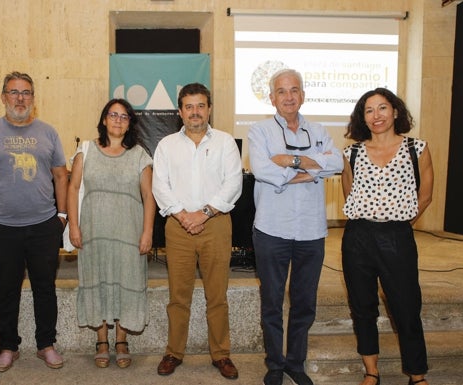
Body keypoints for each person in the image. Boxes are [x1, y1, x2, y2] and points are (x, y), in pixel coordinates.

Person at [248, 68, 344, 385]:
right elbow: (262, 169)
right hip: (271, 229)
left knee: (305, 303)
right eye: (282, 91)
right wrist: (313, 167)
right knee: (272, 302)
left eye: (294, 90)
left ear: (302, 95)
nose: (288, 96)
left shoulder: (319, 129)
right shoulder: (259, 131)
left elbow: (338, 163)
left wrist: (290, 161)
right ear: (272, 97)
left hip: (311, 231)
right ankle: (275, 364)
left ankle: (296, 363)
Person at [0, 71, 68, 372]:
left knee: (44, 287)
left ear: (33, 99)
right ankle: (8, 346)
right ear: (3, 97)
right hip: (1, 227)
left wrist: (62, 216)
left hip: (43, 226)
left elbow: (61, 175)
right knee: (7, 289)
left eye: (26, 92)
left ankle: (46, 344)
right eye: (14, 92)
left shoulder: (48, 132)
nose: (20, 98)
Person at [341, 88, 434, 385]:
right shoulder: (352, 153)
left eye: (382, 108)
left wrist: (397, 224)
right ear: (362, 117)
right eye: (369, 110)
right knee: (363, 307)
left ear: (395, 112)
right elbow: (349, 193)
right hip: (358, 237)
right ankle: (371, 371)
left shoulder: (416, 149)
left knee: (407, 306)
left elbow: (426, 196)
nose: (376, 115)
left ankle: (417, 375)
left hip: (397, 236)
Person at [152, 82, 243, 380]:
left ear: (209, 108)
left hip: (215, 224)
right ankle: (173, 352)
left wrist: (202, 214)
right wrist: (183, 215)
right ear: (180, 112)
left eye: (200, 105)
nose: (195, 112)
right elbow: (160, 186)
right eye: (189, 106)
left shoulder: (226, 142)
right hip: (178, 227)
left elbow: (233, 184)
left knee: (217, 295)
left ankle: (221, 354)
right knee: (179, 296)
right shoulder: (166, 145)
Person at [67, 98, 155, 369]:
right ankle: (102, 341)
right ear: (104, 119)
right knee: (98, 282)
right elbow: (72, 189)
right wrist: (73, 225)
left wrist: (147, 233)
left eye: (124, 116)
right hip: (94, 232)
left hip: (129, 233)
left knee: (126, 282)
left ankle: (122, 341)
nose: (117, 120)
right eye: (112, 115)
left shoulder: (140, 154)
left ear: (130, 123)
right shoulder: (86, 152)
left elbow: (149, 197)